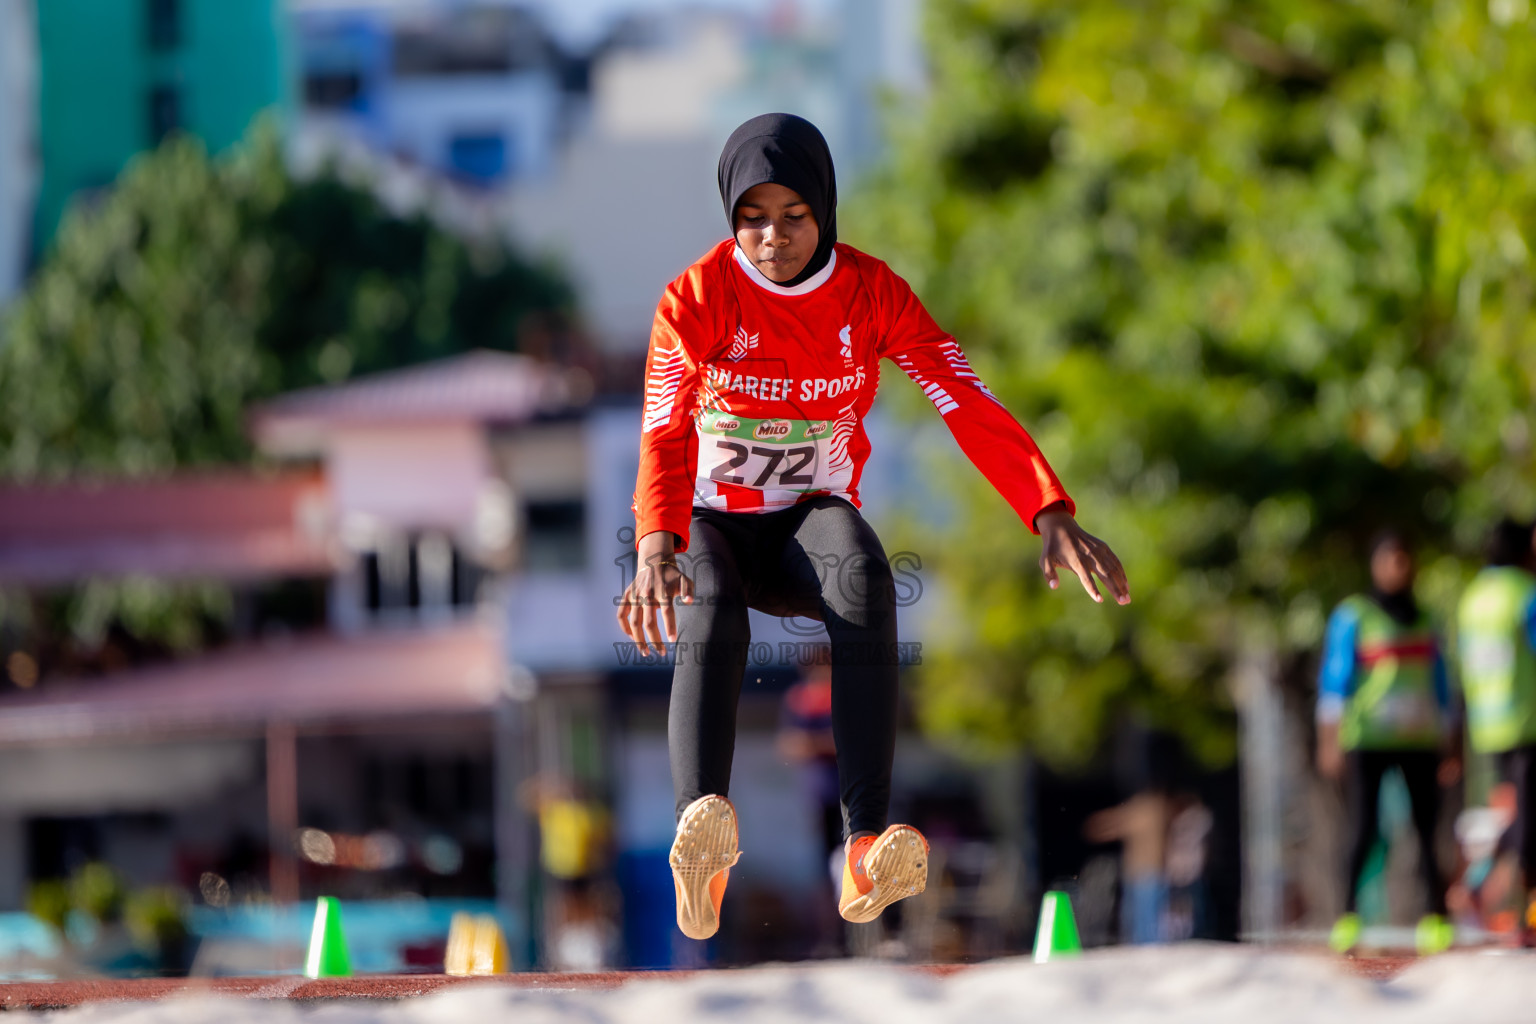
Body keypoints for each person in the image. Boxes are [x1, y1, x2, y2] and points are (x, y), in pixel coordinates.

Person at [616, 113, 1130, 942]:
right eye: (751, 216)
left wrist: (1048, 505)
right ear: (728, 216)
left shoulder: (870, 293)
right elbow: (664, 432)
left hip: (802, 530)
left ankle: (863, 848)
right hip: (711, 521)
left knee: (864, 574)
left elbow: (962, 396)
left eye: (794, 216)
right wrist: (654, 548)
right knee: (708, 595)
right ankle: (699, 829)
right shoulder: (697, 299)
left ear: (825, 211)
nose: (771, 237)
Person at [1316, 531, 1455, 954]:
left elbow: (1441, 683)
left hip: (1418, 739)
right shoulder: (1354, 616)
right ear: (1375, 565)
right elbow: (1334, 681)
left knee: (1427, 831)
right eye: (1389, 559)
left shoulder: (1426, 618)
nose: (1398, 567)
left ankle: (1436, 918)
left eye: (1404, 559)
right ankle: (1346, 917)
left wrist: (1450, 740)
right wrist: (1329, 739)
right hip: (1369, 738)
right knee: (1363, 828)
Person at [1457, 518, 1536, 947]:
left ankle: (1482, 878)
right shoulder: (1525, 594)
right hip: (1528, 721)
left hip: (1489, 722)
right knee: (1527, 818)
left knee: (1522, 814)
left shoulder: (1474, 598)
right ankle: (1523, 911)